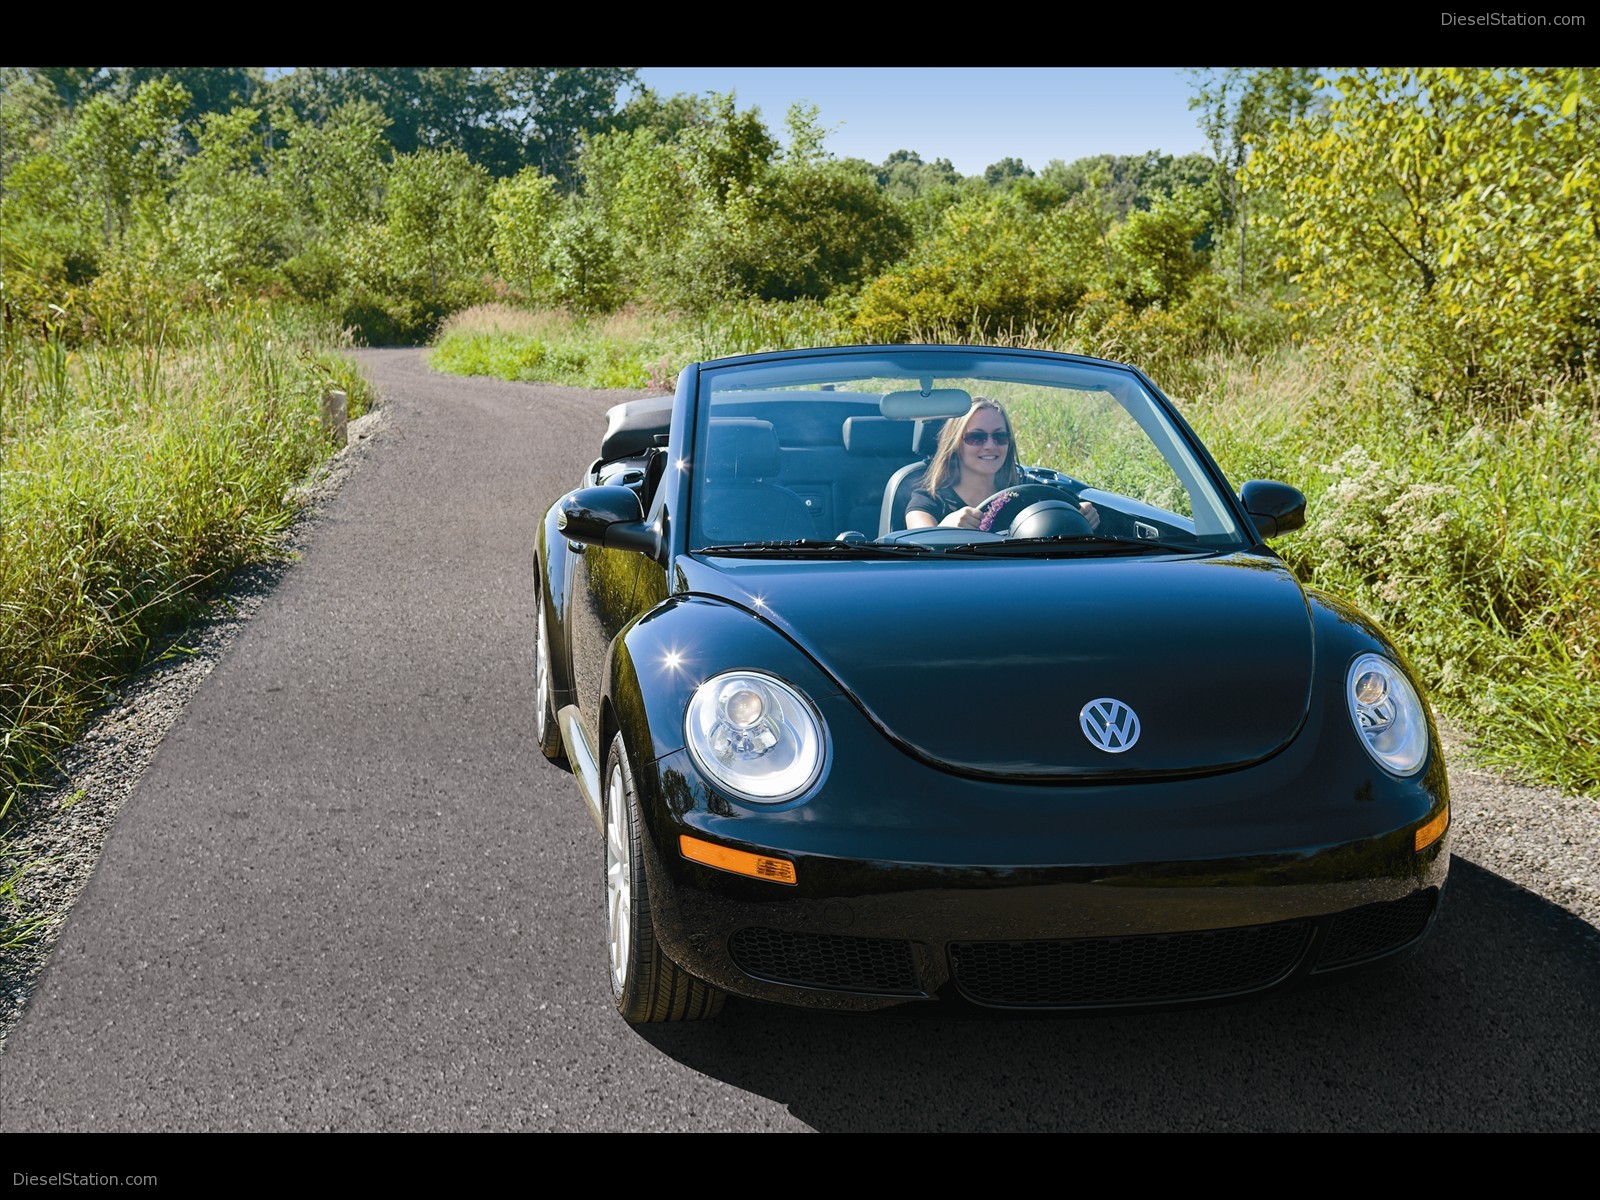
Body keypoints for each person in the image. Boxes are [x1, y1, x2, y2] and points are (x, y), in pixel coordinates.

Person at [904, 398, 1099, 531]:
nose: (990, 446)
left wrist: (1080, 515)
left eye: (1000, 436)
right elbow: (921, 553)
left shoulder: (1028, 495)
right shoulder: (927, 501)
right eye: (976, 437)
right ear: (955, 444)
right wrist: (945, 529)